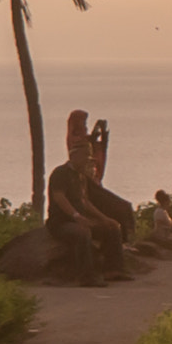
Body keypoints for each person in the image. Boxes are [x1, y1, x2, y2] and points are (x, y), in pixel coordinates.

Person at [47, 142, 126, 286]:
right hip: (61, 222)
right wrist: (77, 216)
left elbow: (84, 201)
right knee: (82, 233)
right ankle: (86, 277)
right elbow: (59, 197)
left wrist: (105, 218)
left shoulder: (81, 176)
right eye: (85, 155)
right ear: (74, 155)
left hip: (80, 219)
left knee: (112, 228)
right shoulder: (60, 173)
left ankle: (113, 270)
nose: (87, 159)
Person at [68, 110, 136, 244]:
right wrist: (96, 134)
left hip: (93, 181)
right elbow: (84, 144)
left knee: (123, 207)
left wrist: (100, 134)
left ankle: (126, 239)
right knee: (120, 208)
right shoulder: (75, 139)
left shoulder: (83, 138)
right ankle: (123, 241)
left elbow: (94, 145)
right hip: (88, 184)